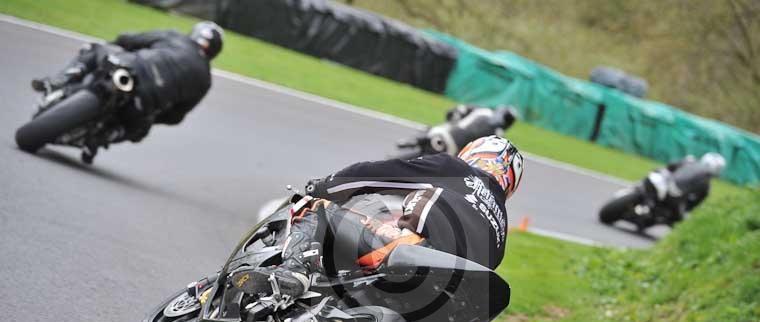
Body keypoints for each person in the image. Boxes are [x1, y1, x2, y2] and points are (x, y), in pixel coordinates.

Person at [233, 135, 524, 298]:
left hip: (411, 255)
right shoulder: (501, 230)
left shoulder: (457, 170)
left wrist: (326, 187)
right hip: (446, 298)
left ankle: (292, 272)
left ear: (475, 154)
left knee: (320, 211)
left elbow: (379, 173)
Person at [31, 21, 223, 150]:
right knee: (140, 130)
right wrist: (153, 117)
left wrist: (116, 44)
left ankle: (61, 80)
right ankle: (105, 137)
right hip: (144, 104)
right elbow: (176, 117)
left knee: (96, 48)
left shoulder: (175, 37)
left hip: (128, 68)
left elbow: (130, 39)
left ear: (193, 34)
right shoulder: (205, 80)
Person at [401, 105, 517, 156]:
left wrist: (453, 117)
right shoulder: (498, 136)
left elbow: (456, 111)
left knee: (432, 129)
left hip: (443, 132)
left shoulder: (483, 110)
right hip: (453, 150)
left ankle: (414, 139)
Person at [643, 152, 726, 219]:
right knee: (679, 217)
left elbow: (671, 166)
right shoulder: (706, 182)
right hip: (674, 192)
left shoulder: (690, 160)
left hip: (666, 183)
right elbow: (696, 201)